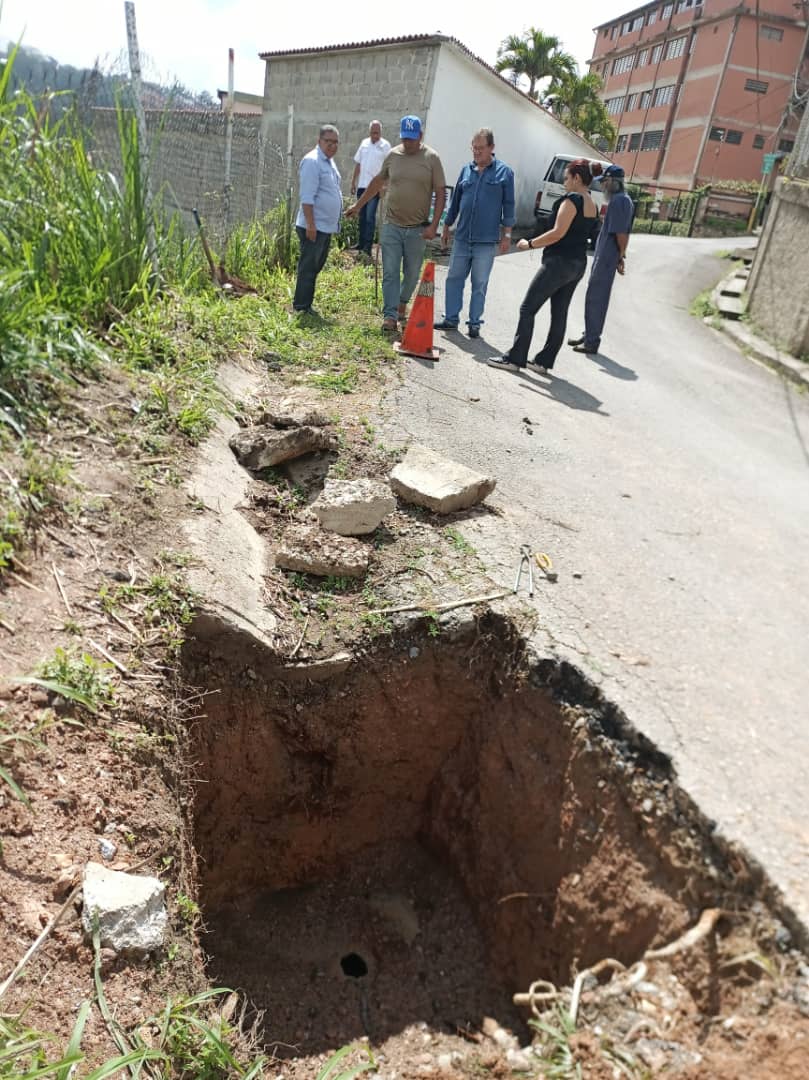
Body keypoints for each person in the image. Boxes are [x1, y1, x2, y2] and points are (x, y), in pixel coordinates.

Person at [487, 160, 598, 373]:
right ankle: (543, 362)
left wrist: (529, 244)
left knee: (528, 308)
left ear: (577, 178)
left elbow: (558, 232)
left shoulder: (572, 200)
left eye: (566, 177)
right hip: (578, 264)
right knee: (560, 313)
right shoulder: (591, 203)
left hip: (559, 263)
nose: (564, 182)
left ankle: (515, 358)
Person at [346, 115, 446, 332]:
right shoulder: (393, 155)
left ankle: (402, 302)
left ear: (420, 136)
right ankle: (390, 315)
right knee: (390, 271)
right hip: (392, 224)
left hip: (418, 229)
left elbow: (440, 192)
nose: (408, 143)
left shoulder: (431, 158)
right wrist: (358, 206)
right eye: (405, 138)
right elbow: (377, 183)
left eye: (412, 139)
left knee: (411, 273)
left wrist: (434, 226)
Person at [434, 128, 515, 339]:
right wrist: (446, 226)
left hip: (486, 241)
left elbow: (509, 206)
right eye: (474, 148)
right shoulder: (466, 170)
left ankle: (474, 323)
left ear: (491, 148)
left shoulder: (504, 173)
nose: (476, 152)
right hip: (462, 237)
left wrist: (507, 236)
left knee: (479, 283)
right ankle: (451, 319)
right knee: (454, 278)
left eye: (480, 148)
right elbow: (455, 203)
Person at [569, 164, 634, 355]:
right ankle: (589, 333)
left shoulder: (620, 201)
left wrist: (621, 255)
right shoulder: (620, 200)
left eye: (605, 182)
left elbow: (621, 234)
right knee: (593, 295)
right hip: (605, 254)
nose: (603, 186)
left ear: (614, 182)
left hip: (608, 256)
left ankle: (591, 341)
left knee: (597, 297)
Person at [292, 124, 343, 316]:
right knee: (308, 267)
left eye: (335, 142)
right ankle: (300, 307)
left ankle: (306, 304)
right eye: (328, 141)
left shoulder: (329, 162)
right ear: (319, 141)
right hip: (313, 226)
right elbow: (307, 197)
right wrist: (311, 225)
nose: (332, 146)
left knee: (315, 266)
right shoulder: (312, 162)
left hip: (324, 226)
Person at [350, 120, 391, 257]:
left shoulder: (385, 146)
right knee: (361, 215)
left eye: (378, 132)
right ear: (369, 132)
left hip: (375, 188)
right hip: (362, 185)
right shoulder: (364, 143)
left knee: (369, 217)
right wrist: (353, 182)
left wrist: (384, 186)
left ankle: (367, 246)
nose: (375, 135)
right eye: (373, 132)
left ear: (381, 132)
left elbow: (389, 168)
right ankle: (360, 243)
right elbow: (358, 164)